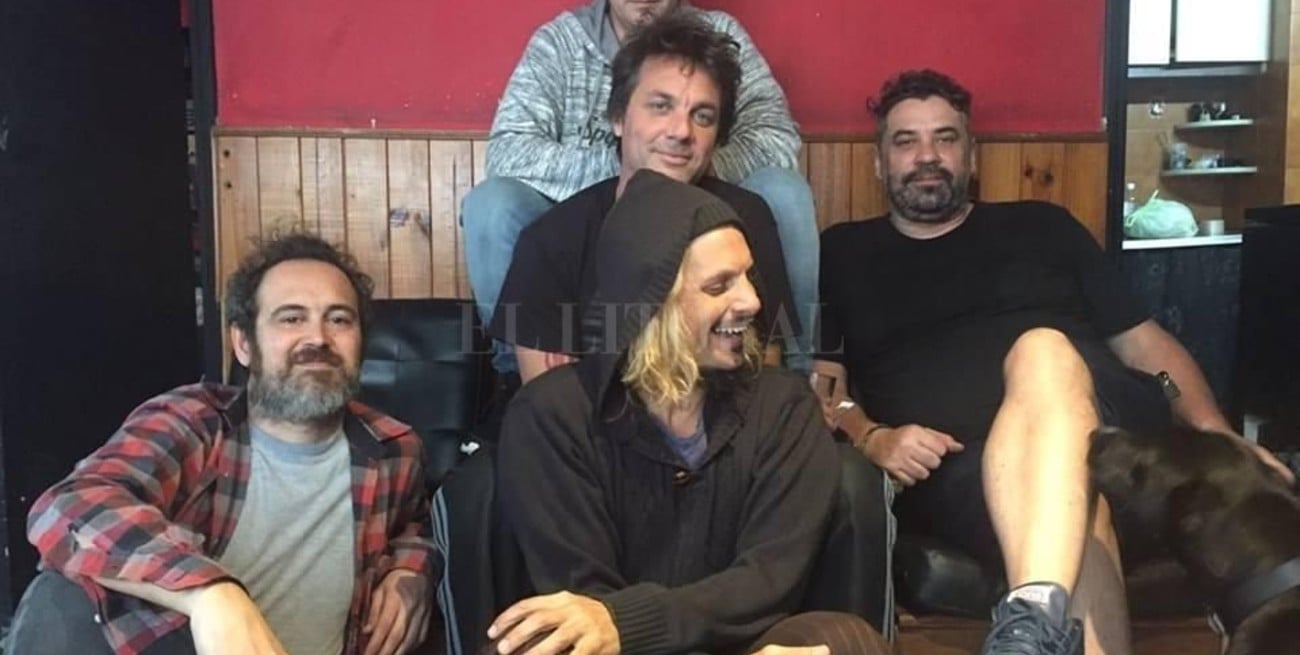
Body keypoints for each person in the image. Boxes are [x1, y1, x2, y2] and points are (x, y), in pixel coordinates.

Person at [812, 69, 1294, 655]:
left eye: (945, 138)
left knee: (1042, 350)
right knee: (1076, 501)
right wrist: (870, 435)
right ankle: (1038, 619)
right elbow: (822, 386)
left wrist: (1218, 436)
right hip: (963, 466)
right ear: (879, 162)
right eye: (906, 141)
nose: (927, 155)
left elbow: (1146, 346)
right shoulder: (844, 251)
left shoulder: (1042, 225)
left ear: (971, 154)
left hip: (1117, 435)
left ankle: (1033, 616)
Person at [489, 169, 888, 655]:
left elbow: (770, 581)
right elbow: (584, 604)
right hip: (608, 649)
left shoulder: (785, 408)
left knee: (845, 641)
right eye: (720, 286)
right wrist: (626, 626)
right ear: (648, 304)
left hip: (746, 641)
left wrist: (631, 621)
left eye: (748, 276)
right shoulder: (550, 416)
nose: (753, 301)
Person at [10, 233, 438, 655]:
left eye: (339, 319)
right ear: (244, 344)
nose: (318, 338)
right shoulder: (192, 423)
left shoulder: (394, 449)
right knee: (58, 597)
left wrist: (413, 571)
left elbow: (417, 527)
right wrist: (210, 594)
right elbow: (69, 508)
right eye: (291, 318)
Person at [463, 0, 818, 374]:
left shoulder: (723, 35)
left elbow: (774, 139)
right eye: (660, 106)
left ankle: (799, 370)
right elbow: (510, 152)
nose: (680, 130)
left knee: (784, 191)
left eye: (702, 115)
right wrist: (636, 178)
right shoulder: (560, 42)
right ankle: (511, 369)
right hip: (588, 214)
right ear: (617, 116)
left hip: (706, 209)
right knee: (492, 203)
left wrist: (682, 171)